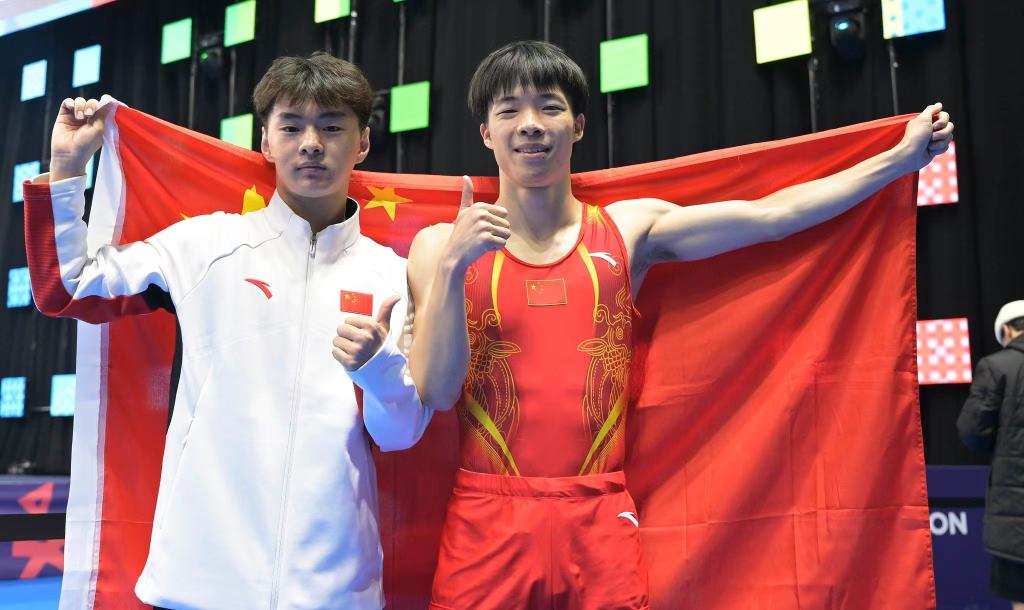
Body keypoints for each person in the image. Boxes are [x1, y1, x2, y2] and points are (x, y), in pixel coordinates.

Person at [405, 40, 954, 609]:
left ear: (579, 125)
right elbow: (437, 392)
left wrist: (898, 161)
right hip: (486, 523)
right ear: (486, 133)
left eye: (549, 107)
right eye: (509, 110)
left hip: (598, 520)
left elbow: (772, 215)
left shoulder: (628, 231)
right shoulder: (439, 246)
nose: (530, 124)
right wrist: (452, 269)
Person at [22, 52, 431, 609]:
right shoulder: (206, 244)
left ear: (362, 143)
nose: (312, 144)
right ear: (266, 141)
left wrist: (379, 369)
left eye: (332, 127)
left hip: (335, 587)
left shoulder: (391, 274)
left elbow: (399, 434)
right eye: (292, 126)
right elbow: (67, 287)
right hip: (200, 581)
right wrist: (68, 167)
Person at [958, 300, 1024, 610]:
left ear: (1008, 330)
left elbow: (972, 430)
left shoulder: (997, 366)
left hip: (1016, 513)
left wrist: (999, 447)